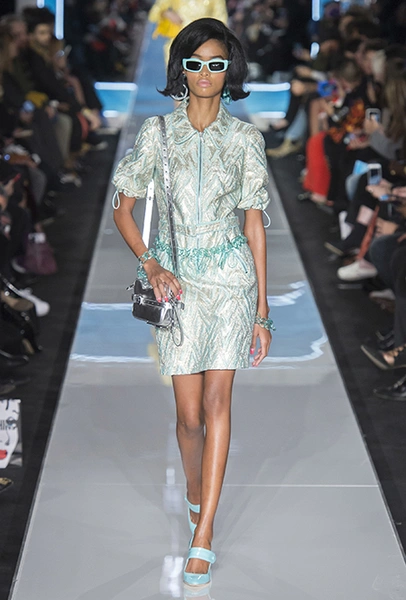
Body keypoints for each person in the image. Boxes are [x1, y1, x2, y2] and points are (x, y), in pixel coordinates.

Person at [112, 17, 273, 588]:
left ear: (231, 71)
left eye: (216, 64)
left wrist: (261, 311)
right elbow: (123, 208)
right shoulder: (157, 133)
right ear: (181, 68)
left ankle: (203, 534)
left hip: (230, 280)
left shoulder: (245, 139)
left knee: (217, 401)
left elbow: (253, 227)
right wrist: (150, 264)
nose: (206, 73)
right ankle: (195, 492)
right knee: (187, 417)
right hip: (176, 283)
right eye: (196, 63)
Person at [148, 0, 228, 64]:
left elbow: (221, 21)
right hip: (177, 44)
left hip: (203, 45)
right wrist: (166, 13)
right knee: (177, 76)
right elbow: (154, 13)